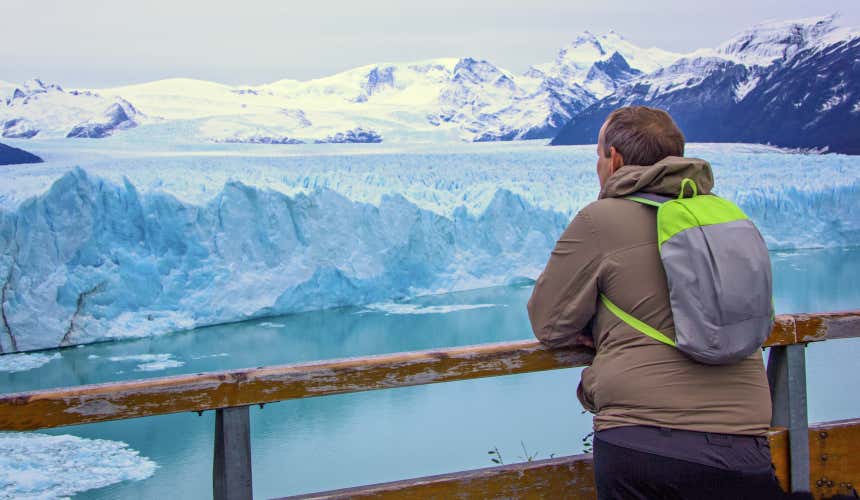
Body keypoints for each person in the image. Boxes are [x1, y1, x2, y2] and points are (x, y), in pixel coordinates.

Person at [527, 106, 783, 499]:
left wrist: (594, 327)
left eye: (598, 156)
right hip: (744, 442)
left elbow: (548, 323)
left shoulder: (601, 219)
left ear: (614, 158)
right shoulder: (727, 218)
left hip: (643, 442)